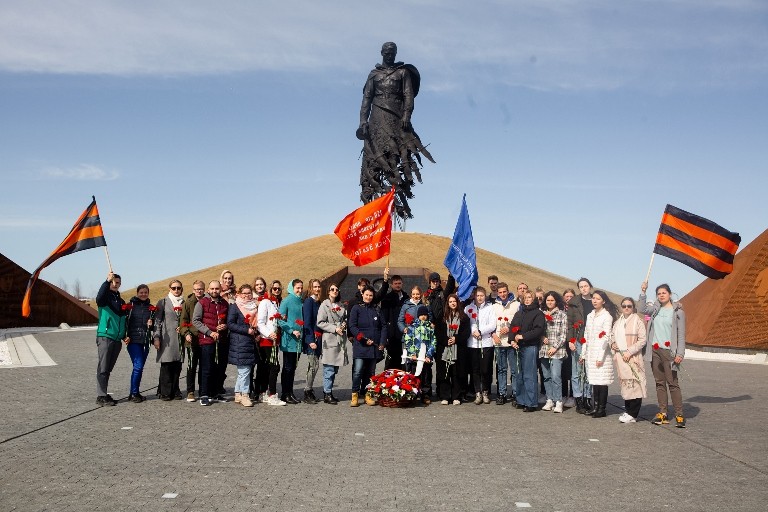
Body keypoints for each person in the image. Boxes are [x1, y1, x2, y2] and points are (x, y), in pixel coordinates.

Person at [358, 42, 434, 218]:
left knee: (396, 156)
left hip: (396, 117)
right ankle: (374, 206)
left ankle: (397, 197)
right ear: (382, 53)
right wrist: (363, 121)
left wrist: (407, 115)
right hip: (376, 118)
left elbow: (408, 96)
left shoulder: (402, 72)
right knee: (374, 159)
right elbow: (366, 99)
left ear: (396, 53)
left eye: (392, 52)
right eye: (386, 52)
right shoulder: (373, 75)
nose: (389, 54)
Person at [639, 282, 687, 428]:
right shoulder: (655, 309)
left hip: (670, 352)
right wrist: (643, 292)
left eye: (664, 293)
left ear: (670, 294)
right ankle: (663, 413)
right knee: (660, 383)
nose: (661, 295)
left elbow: (681, 335)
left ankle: (679, 414)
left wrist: (680, 353)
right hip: (654, 350)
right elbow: (641, 309)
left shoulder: (678, 312)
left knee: (672, 383)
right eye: (659, 293)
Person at [192, 280, 230, 406]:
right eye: (212, 289)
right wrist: (209, 332)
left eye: (217, 289)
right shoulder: (202, 303)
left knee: (219, 368)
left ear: (220, 290)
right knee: (207, 368)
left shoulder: (224, 303)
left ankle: (216, 393)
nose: (214, 291)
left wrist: (225, 326)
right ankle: (204, 394)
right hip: (207, 340)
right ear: (208, 290)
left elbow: (229, 320)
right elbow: (196, 321)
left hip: (221, 340)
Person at [348, 285, 387, 407]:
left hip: (374, 346)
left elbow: (383, 327)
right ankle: (355, 394)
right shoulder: (356, 308)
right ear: (362, 295)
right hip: (361, 345)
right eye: (366, 295)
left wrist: (382, 343)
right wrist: (363, 339)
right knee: (358, 371)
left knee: (371, 373)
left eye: (371, 295)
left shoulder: (377, 309)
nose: (368, 297)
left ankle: (367, 394)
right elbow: (352, 326)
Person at [611, 297, 647, 423]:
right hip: (621, 358)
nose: (626, 308)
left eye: (629, 306)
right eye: (624, 306)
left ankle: (633, 413)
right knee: (626, 384)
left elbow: (642, 340)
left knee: (635, 383)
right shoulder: (618, 322)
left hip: (633, 357)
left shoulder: (638, 321)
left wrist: (630, 351)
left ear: (633, 308)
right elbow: (612, 336)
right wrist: (612, 344)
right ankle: (628, 410)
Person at [582, 290, 618, 418]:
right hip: (591, 352)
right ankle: (595, 406)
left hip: (601, 353)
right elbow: (586, 334)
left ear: (603, 301)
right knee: (594, 381)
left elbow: (605, 337)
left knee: (602, 382)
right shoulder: (590, 315)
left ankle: (601, 409)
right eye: (593, 298)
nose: (595, 301)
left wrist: (600, 357)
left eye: (598, 299)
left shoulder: (607, 316)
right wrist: (583, 353)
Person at [95, 272, 127, 406]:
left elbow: (123, 320)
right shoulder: (105, 299)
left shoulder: (121, 301)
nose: (115, 284)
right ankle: (101, 396)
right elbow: (99, 298)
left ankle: (104, 394)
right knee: (103, 367)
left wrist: (124, 335)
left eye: (118, 282)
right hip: (106, 336)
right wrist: (106, 281)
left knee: (108, 368)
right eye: (113, 282)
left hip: (117, 339)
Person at [510, 291, 545, 412]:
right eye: (525, 298)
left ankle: (531, 402)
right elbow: (512, 327)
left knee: (529, 375)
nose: (527, 300)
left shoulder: (538, 314)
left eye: (529, 297)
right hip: (518, 347)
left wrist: (523, 336)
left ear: (533, 299)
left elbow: (538, 330)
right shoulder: (519, 313)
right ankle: (521, 400)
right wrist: (512, 340)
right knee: (519, 374)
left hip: (530, 346)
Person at [227, 284, 260, 408]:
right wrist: (246, 330)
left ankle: (237, 393)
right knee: (245, 371)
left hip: (251, 343)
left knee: (244, 371)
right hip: (240, 343)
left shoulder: (254, 307)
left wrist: (256, 333)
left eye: (249, 293)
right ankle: (245, 395)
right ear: (239, 294)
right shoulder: (235, 307)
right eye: (244, 293)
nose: (247, 295)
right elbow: (230, 324)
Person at [153, 280, 185, 401]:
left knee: (177, 365)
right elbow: (157, 321)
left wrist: (183, 327)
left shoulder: (184, 302)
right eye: (174, 288)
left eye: (178, 288)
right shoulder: (163, 302)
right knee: (166, 364)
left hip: (179, 338)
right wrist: (156, 337)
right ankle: (165, 392)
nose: (176, 290)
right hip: (166, 338)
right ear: (170, 289)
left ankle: (175, 390)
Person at [435, 293, 470, 405]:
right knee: (445, 373)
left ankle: (456, 396)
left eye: (454, 301)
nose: (452, 303)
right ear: (447, 303)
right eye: (450, 302)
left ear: (457, 302)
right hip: (444, 348)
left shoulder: (464, 317)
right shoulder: (442, 316)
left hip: (458, 349)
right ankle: (445, 396)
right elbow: (438, 332)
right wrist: (446, 340)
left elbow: (466, 332)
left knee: (457, 374)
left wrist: (456, 338)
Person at [316, 283, 348, 404]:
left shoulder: (341, 305)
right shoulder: (324, 305)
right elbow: (320, 322)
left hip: (340, 340)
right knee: (329, 368)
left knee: (335, 368)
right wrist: (334, 328)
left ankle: (329, 391)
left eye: (336, 289)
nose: (335, 291)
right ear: (328, 292)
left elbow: (344, 318)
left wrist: (344, 324)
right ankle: (327, 393)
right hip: (329, 339)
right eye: (332, 289)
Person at [256, 280, 286, 406]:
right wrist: (269, 334)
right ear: (270, 289)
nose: (277, 291)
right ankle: (272, 395)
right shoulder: (265, 302)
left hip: (275, 340)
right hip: (267, 340)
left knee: (267, 367)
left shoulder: (278, 303)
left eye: (279, 289)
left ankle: (263, 393)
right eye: (274, 289)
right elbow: (260, 322)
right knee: (274, 367)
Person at [124, 283, 154, 403]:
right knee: (138, 366)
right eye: (141, 292)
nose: (143, 294)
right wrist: (125, 336)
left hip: (145, 341)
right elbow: (125, 322)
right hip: (133, 340)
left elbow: (154, 327)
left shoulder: (151, 308)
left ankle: (134, 392)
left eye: (145, 292)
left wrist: (151, 326)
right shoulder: (130, 306)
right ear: (137, 293)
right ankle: (134, 393)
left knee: (139, 368)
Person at [276, 279, 304, 405]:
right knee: (287, 368)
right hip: (289, 340)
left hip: (298, 340)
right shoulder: (287, 301)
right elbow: (280, 320)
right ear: (292, 288)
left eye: (301, 288)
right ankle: (285, 394)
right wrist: (292, 330)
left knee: (293, 368)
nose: (300, 290)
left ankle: (290, 392)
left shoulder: (301, 301)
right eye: (297, 287)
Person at [539, 291, 568, 413]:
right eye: (548, 300)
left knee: (556, 376)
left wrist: (555, 347)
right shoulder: (542, 314)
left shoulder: (562, 315)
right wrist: (541, 337)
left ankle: (558, 401)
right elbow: (538, 329)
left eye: (552, 300)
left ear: (556, 301)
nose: (549, 302)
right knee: (546, 376)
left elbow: (563, 334)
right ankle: (549, 399)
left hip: (557, 350)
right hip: (544, 349)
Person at [466, 286, 495, 405]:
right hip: (473, 343)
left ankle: (485, 391)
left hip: (486, 342)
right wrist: (474, 331)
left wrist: (481, 331)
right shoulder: (468, 308)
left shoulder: (490, 308)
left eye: (481, 295)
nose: (479, 298)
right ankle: (477, 392)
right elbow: (467, 322)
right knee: (475, 370)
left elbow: (492, 324)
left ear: (485, 296)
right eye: (477, 295)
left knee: (485, 369)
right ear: (474, 296)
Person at [492, 282, 519, 405]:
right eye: (500, 292)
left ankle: (515, 393)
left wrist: (510, 328)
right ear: (497, 293)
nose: (502, 294)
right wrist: (494, 335)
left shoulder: (517, 305)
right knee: (501, 369)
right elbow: (491, 323)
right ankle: (502, 393)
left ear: (508, 291)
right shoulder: (494, 306)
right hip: (499, 342)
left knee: (514, 370)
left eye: (504, 291)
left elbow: (520, 323)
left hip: (511, 342)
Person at [403, 305, 436, 405]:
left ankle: (425, 394)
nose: (423, 317)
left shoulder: (430, 328)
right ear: (418, 316)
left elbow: (433, 342)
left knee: (426, 376)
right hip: (415, 358)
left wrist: (429, 355)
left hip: (425, 357)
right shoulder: (412, 327)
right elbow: (408, 341)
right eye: (421, 315)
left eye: (425, 315)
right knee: (415, 376)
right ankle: (413, 394)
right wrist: (412, 353)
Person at [179, 280, 205, 402]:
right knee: (191, 366)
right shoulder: (188, 303)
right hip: (192, 339)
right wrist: (186, 333)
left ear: (204, 289)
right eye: (196, 289)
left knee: (204, 367)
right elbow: (183, 321)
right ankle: (190, 391)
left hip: (205, 339)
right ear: (193, 290)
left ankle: (203, 390)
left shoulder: (207, 301)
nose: (199, 291)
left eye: (200, 289)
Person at [301, 278, 323, 404]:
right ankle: (307, 391)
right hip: (312, 339)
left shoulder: (318, 302)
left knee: (314, 365)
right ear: (310, 288)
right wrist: (310, 340)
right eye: (315, 287)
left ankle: (309, 389)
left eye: (318, 286)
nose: (317, 289)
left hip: (318, 338)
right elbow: (307, 323)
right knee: (313, 365)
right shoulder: (309, 302)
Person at [380, 274, 407, 370]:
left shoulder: (406, 297)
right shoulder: (387, 298)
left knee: (403, 359)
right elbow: (384, 318)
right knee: (391, 360)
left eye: (399, 283)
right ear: (391, 285)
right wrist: (385, 335)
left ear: (402, 284)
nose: (398, 285)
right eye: (395, 283)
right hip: (392, 334)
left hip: (403, 333)